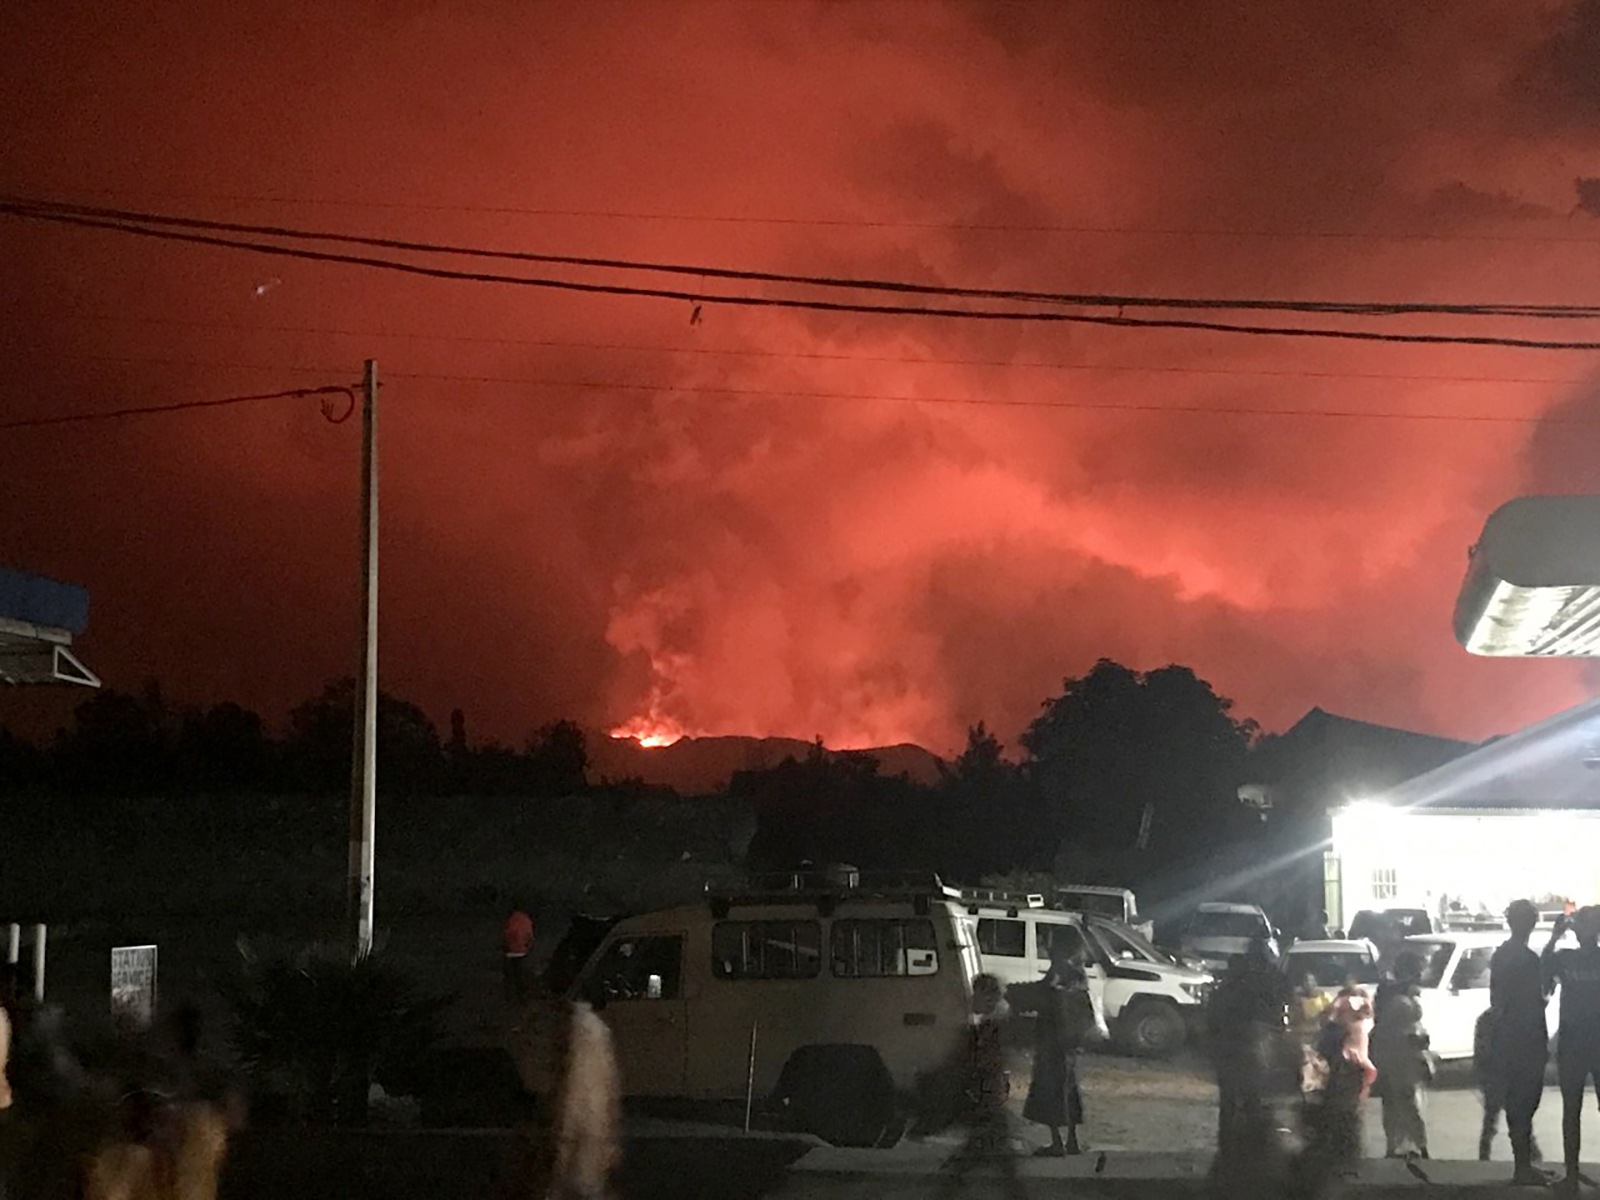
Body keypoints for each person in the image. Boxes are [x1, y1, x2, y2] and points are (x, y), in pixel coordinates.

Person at [1207, 937, 1288, 1187]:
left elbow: (1212, 1023)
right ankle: (1250, 1154)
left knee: (1232, 1105)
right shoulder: (1260, 985)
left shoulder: (1229, 989)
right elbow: (1273, 1016)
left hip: (1232, 1054)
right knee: (1252, 1104)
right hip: (1249, 1053)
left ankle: (1232, 1153)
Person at [1480, 898, 1551, 1182]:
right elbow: (1535, 1001)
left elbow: (1498, 998)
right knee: (1525, 1100)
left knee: (1518, 1101)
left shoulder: (1501, 954)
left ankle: (1524, 1163)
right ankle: (1523, 1166)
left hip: (1508, 1035)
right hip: (1526, 1036)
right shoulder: (1526, 959)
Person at [938, 974, 1024, 1200]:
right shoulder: (996, 1022)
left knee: (987, 1150)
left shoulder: (993, 1026)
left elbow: (985, 1061)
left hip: (987, 1096)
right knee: (997, 1155)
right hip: (990, 1096)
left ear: (987, 997)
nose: (971, 999)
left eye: (976, 994)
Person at [1022, 933, 1096, 1157]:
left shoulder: (1059, 971)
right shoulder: (1079, 974)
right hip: (1071, 1043)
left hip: (1052, 1042)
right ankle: (1071, 1141)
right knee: (1069, 1089)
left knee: (1050, 1091)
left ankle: (1057, 1143)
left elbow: (1046, 996)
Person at [1543, 904, 1600, 1190]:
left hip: (1576, 1040)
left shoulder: (1565, 959)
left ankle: (1573, 1174)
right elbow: (1544, 975)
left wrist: (1555, 936)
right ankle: (1572, 1173)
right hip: (1586, 1041)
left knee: (1571, 1110)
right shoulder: (1568, 958)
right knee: (1571, 1109)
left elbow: (1543, 974)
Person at [1370, 951, 1431, 1160]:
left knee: (1395, 1103)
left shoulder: (1391, 993)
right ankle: (1414, 1145)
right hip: (1401, 1058)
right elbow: (1400, 1031)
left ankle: (1399, 1145)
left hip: (1395, 1056)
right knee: (1407, 1102)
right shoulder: (1398, 998)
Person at [503, 903, 536, 1009]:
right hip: (522, 952)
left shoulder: (510, 921)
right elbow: (530, 936)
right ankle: (523, 1000)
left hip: (510, 952)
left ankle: (509, 1000)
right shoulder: (526, 921)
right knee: (521, 978)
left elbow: (505, 935)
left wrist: (506, 947)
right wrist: (528, 947)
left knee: (510, 978)